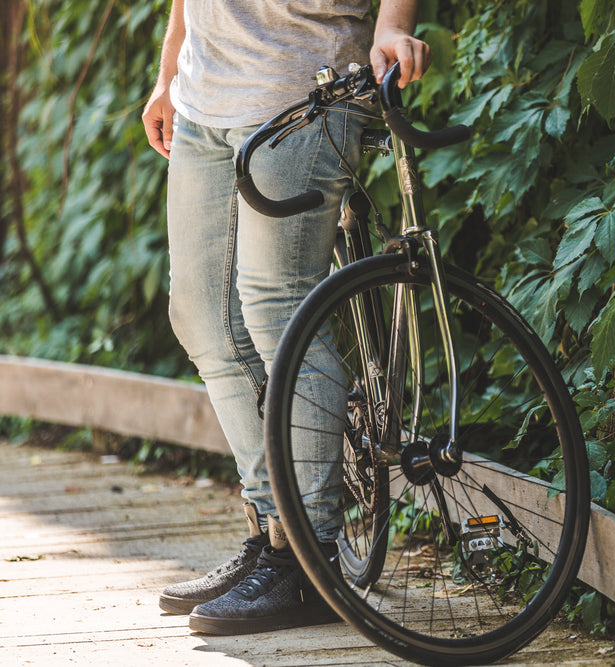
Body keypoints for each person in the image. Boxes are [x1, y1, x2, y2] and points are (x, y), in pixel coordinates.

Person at [140, 0, 430, 635]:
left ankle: (310, 553)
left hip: (300, 87)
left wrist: (390, 25)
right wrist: (168, 72)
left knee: (280, 313)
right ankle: (273, 534)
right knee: (201, 316)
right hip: (202, 93)